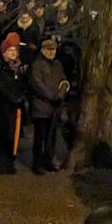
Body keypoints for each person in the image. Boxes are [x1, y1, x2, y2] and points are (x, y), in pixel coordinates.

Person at [27, 37, 68, 174]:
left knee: (51, 137)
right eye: (49, 50)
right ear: (43, 50)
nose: (52, 52)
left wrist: (61, 94)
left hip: (54, 107)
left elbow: (63, 80)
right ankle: (37, 163)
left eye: (54, 50)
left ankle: (48, 160)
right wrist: (52, 96)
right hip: (41, 106)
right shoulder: (37, 65)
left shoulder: (57, 64)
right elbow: (37, 85)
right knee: (40, 137)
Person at [0, 33, 28, 174]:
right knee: (2, 134)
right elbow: (0, 86)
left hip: (15, 107)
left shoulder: (19, 67)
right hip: (3, 107)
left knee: (13, 135)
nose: (12, 53)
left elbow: (23, 84)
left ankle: (10, 161)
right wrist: (14, 97)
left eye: (14, 51)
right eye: (10, 51)